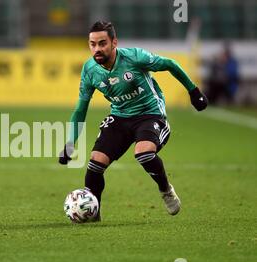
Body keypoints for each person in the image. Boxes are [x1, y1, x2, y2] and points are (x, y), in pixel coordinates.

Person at [58, 21, 208, 220]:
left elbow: (170, 64)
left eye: (102, 43)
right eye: (92, 44)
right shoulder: (90, 70)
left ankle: (165, 190)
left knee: (144, 153)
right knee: (95, 163)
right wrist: (70, 143)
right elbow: (80, 109)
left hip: (150, 113)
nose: (97, 49)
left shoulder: (135, 57)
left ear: (114, 42)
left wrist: (194, 91)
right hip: (120, 116)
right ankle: (92, 214)